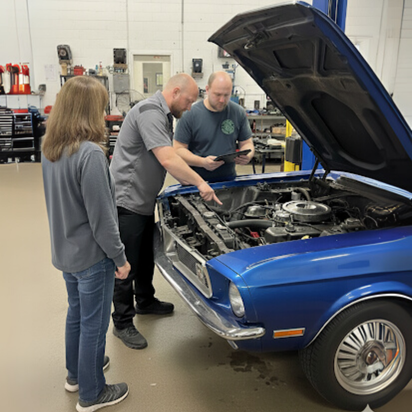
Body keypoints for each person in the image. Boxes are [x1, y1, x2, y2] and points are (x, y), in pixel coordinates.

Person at [110, 73, 221, 350]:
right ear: (174, 92)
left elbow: (172, 149)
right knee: (126, 265)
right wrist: (199, 182)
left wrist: (202, 164)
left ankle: (145, 300)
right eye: (188, 100)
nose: (190, 107)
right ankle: (122, 322)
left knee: (146, 256)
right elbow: (168, 157)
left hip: (143, 200)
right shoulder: (150, 112)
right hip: (127, 201)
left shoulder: (163, 115)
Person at [42, 76, 130, 412]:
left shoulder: (51, 149)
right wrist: (120, 258)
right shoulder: (90, 154)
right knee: (95, 322)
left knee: (77, 315)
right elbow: (103, 219)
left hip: (66, 251)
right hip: (93, 257)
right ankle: (92, 394)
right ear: (91, 111)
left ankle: (76, 375)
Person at [173, 71, 255, 182]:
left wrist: (247, 155)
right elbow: (178, 149)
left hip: (229, 181)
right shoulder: (190, 114)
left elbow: (247, 143)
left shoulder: (238, 112)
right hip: (196, 182)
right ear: (207, 90)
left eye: (226, 95)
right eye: (217, 95)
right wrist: (202, 162)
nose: (222, 100)